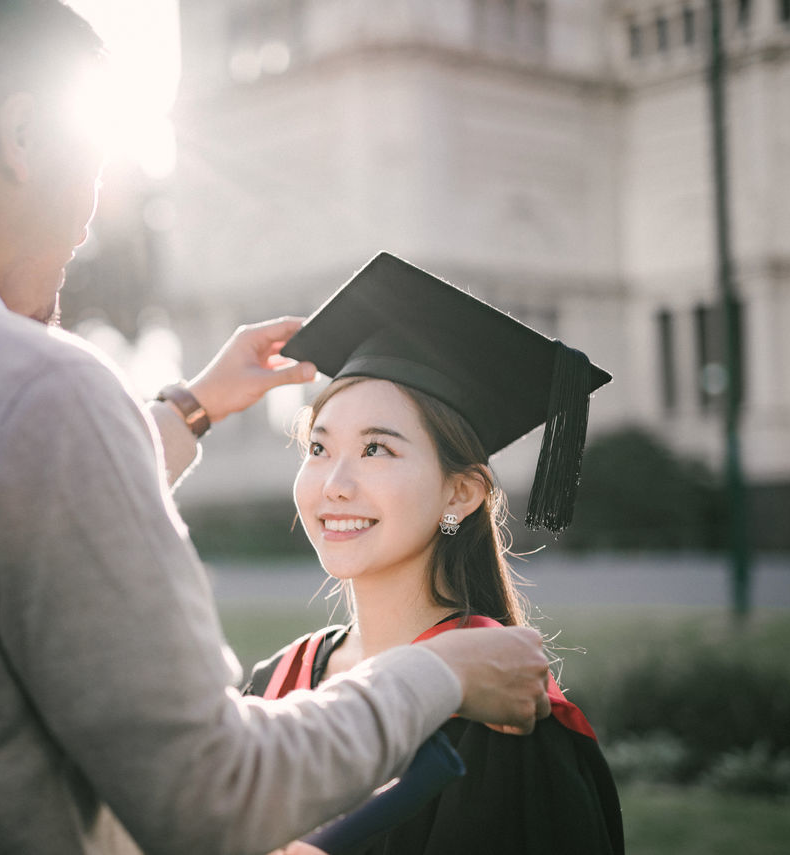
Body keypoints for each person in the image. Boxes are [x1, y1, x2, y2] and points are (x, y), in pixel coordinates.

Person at [0, 3, 555, 854]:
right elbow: (213, 795)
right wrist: (438, 672)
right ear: (24, 135)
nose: (86, 229)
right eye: (90, 172)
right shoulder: (39, 387)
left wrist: (187, 411)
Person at [244, 253, 625, 854]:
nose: (334, 483)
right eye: (318, 447)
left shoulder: (500, 715)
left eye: (377, 450)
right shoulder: (279, 680)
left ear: (461, 492)